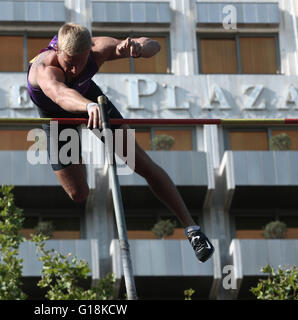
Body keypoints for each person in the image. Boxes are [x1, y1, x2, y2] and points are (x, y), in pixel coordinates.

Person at [26, 23, 214, 263]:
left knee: (141, 163)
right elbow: (61, 94)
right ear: (59, 52)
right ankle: (77, 145)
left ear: (89, 53)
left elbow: (154, 46)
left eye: (79, 62)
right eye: (68, 62)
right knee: (79, 193)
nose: (73, 69)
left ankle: (193, 231)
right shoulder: (45, 68)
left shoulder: (99, 48)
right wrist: (87, 106)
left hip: (91, 102)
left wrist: (137, 47)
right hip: (62, 116)